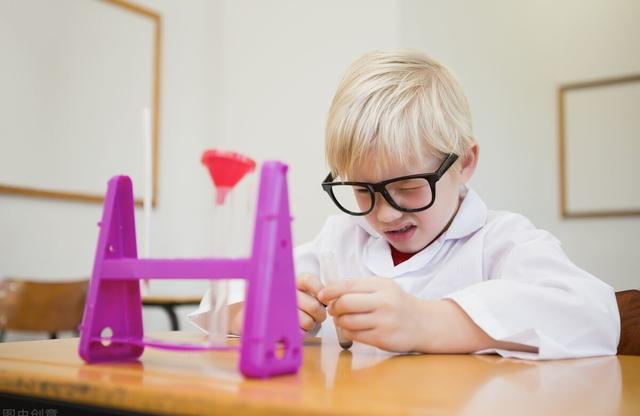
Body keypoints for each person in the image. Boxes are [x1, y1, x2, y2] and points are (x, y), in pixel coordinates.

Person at [189, 49, 619, 359]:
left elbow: (593, 314)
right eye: (362, 190)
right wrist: (250, 313)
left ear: (464, 163)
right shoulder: (343, 238)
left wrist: (426, 322)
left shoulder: (502, 241)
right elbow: (220, 302)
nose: (385, 214)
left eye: (409, 186)